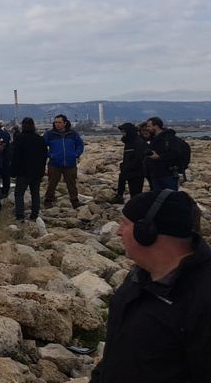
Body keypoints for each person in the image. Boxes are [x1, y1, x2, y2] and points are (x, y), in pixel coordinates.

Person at [90, 190, 211, 382]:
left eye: (124, 223)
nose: (118, 231)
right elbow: (118, 350)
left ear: (146, 232)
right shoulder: (140, 275)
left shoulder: (202, 299)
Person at [43, 114, 85, 209]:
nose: (57, 124)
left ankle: (75, 201)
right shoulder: (50, 134)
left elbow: (80, 144)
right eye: (55, 122)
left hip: (70, 163)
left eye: (59, 122)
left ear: (65, 123)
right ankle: (48, 200)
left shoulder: (72, 134)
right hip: (55, 163)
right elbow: (42, 147)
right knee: (52, 183)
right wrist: (50, 155)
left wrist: (76, 154)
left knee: (72, 183)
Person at [9, 117, 47, 222]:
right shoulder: (40, 139)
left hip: (23, 172)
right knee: (35, 193)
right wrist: (42, 170)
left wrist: (12, 171)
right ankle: (35, 214)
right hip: (36, 171)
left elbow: (15, 156)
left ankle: (20, 215)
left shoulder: (19, 139)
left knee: (19, 194)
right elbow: (44, 156)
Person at [144, 117, 187, 192]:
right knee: (157, 199)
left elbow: (175, 153)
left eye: (149, 126)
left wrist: (159, 157)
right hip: (155, 174)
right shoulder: (153, 139)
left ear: (156, 126)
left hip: (168, 174)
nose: (147, 128)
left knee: (170, 198)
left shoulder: (169, 138)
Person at [113, 122, 147, 203]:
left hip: (137, 172)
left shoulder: (138, 142)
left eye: (124, 132)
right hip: (128, 170)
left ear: (129, 132)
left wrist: (127, 166)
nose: (123, 134)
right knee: (122, 180)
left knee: (135, 193)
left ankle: (136, 208)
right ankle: (119, 197)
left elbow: (139, 158)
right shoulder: (129, 142)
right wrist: (123, 165)